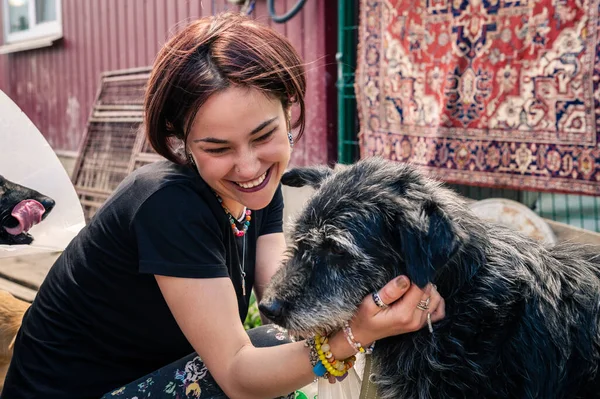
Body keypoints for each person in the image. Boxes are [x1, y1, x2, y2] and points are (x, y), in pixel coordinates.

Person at [1, 12, 445, 399]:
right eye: (218, 147)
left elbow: (280, 296)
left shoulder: (255, 187)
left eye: (263, 135)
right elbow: (236, 375)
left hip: (145, 377)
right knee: (265, 364)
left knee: (280, 347)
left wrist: (388, 296)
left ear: (288, 109)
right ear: (181, 139)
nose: (248, 165)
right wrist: (359, 333)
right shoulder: (168, 204)